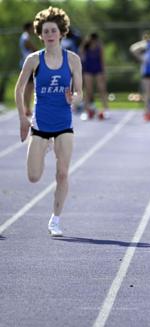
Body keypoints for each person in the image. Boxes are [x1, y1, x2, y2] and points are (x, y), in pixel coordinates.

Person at [14, 6, 83, 237]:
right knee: (33, 177)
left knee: (62, 173)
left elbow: (81, 92)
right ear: (40, 35)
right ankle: (44, 147)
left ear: (62, 32)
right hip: (40, 125)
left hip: (64, 123)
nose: (50, 34)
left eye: (54, 30)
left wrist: (74, 97)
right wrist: (23, 119)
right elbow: (19, 88)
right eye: (46, 31)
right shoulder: (34, 60)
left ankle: (55, 219)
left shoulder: (72, 60)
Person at [80, 32, 109, 120]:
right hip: (88, 69)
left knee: (102, 89)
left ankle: (106, 109)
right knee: (88, 90)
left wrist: (104, 72)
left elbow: (102, 60)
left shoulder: (99, 47)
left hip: (98, 69)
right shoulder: (86, 47)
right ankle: (86, 110)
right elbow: (80, 54)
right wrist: (84, 42)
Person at [19, 22, 37, 117]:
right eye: (32, 28)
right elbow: (32, 48)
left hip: (26, 64)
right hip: (27, 65)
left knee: (29, 87)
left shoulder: (25, 37)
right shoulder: (26, 37)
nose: (33, 30)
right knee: (28, 87)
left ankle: (27, 108)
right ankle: (27, 108)